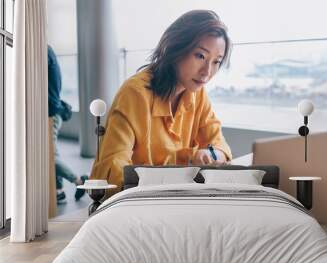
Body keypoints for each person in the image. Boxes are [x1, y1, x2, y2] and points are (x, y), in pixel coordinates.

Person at [90, 10, 232, 195]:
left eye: (216, 62)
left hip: (176, 197)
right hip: (134, 201)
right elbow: (114, 169)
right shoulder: (135, 94)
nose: (207, 72)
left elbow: (218, 144)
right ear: (176, 48)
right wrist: (186, 162)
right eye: (200, 56)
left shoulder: (198, 93)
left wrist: (210, 155)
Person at [48, 45, 88, 203]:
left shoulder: (44, 50)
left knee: (49, 156)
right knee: (52, 153)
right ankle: (59, 191)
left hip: (51, 113)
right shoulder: (48, 50)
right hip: (53, 111)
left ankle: (79, 181)